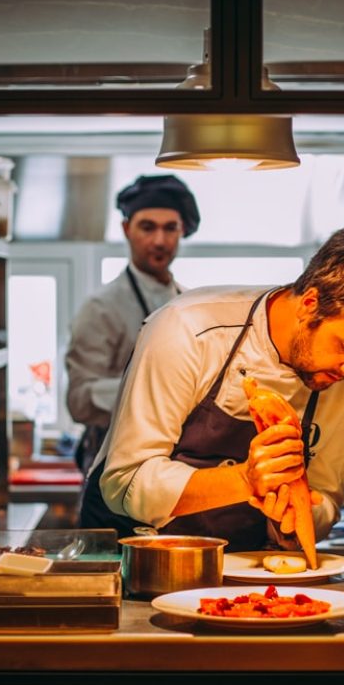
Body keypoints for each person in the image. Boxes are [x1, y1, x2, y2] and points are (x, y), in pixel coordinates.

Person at [80, 227, 344, 550]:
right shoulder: (187, 329)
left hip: (248, 570)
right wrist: (246, 480)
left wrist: (290, 521)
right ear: (310, 305)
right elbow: (126, 481)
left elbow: (325, 497)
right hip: (138, 560)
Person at [65, 174, 200, 474]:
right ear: (127, 229)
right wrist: (158, 392)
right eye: (147, 227)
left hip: (179, 465)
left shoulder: (192, 305)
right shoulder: (100, 309)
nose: (159, 240)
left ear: (182, 231)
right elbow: (78, 401)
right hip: (113, 463)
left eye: (170, 228)